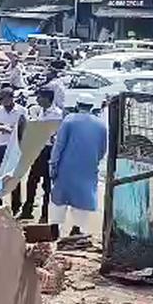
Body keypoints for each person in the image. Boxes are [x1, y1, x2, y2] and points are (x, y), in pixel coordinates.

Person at [49, 96, 108, 235]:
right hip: (88, 168)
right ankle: (76, 230)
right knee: (83, 199)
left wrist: (53, 164)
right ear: (92, 107)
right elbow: (102, 150)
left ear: (77, 105)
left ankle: (54, 229)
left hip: (66, 167)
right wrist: (94, 161)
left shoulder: (69, 120)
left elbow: (59, 145)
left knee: (59, 199)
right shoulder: (101, 125)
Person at [20, 88, 64, 223]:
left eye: (39, 97)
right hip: (37, 150)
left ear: (46, 98)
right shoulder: (39, 111)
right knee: (32, 181)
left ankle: (45, 215)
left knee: (47, 184)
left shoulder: (56, 114)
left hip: (48, 151)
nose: (37, 100)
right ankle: (27, 210)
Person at [0, 87, 28, 211]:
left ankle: (16, 204)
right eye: (1, 99)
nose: (2, 102)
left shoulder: (21, 111)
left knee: (14, 177)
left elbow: (24, 128)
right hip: (0, 146)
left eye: (4, 98)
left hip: (15, 148)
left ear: (11, 98)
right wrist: (3, 128)